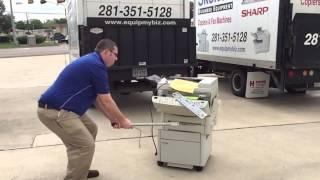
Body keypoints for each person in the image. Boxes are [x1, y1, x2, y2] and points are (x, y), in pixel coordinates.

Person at [37, 38, 133, 180]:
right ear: (106, 52)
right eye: (115, 54)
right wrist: (123, 120)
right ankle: (75, 176)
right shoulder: (95, 65)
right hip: (56, 111)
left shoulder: (93, 62)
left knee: (91, 129)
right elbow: (107, 100)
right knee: (84, 145)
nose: (117, 58)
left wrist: (113, 119)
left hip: (67, 110)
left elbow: (98, 99)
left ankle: (81, 168)